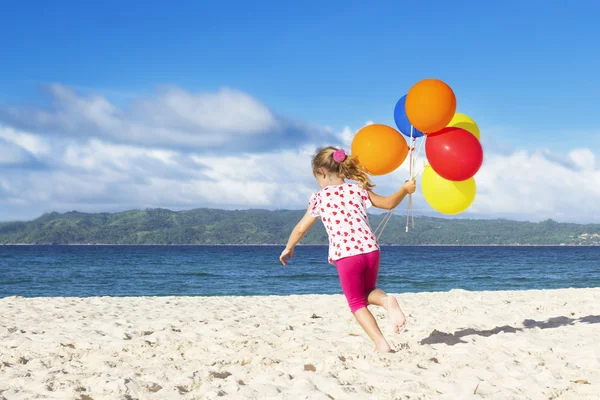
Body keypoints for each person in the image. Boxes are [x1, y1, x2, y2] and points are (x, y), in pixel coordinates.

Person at [279, 146, 417, 353]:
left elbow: (301, 227)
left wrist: (288, 247)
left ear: (322, 172)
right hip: (371, 250)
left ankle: (381, 343)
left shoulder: (319, 197)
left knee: (356, 302)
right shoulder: (358, 190)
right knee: (367, 292)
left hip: (346, 255)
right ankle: (387, 301)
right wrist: (404, 190)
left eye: (316, 176)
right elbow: (389, 204)